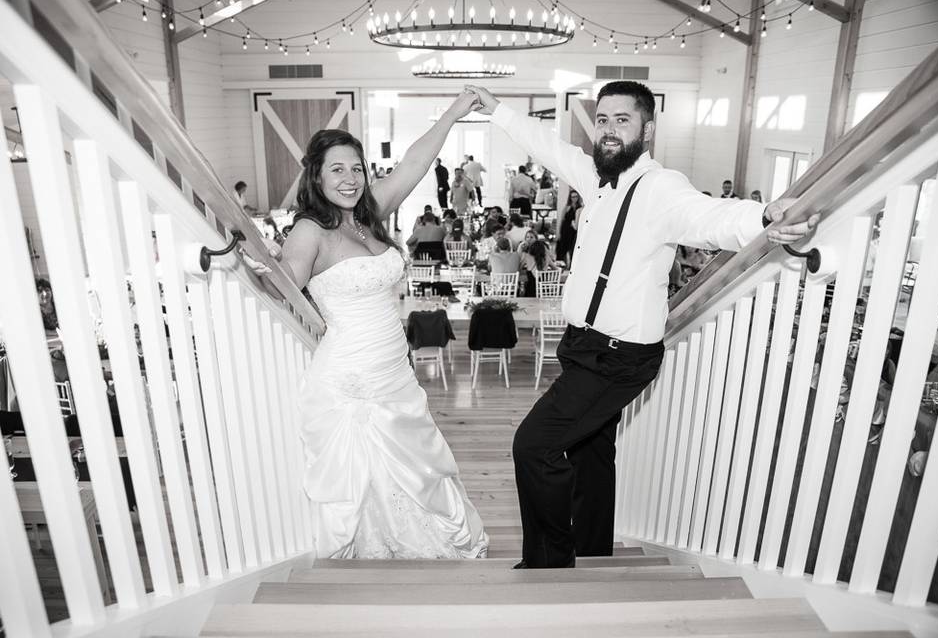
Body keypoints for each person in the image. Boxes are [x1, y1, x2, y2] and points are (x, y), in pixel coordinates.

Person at [467, 81, 819, 569]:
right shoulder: (597, 176)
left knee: (533, 445)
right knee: (590, 453)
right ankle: (591, 554)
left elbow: (709, 215)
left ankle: (549, 564)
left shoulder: (660, 188)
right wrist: (499, 110)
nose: (609, 131)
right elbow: (550, 147)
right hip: (584, 345)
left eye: (622, 121)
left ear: (647, 129)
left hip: (616, 356)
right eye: (603, 120)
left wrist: (763, 217)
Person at [244, 90, 488, 559]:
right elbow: (287, 286)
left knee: (414, 470)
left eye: (356, 167)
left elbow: (415, 163)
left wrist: (453, 113)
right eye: (337, 169)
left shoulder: (368, 217)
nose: (351, 178)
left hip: (395, 371)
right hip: (350, 379)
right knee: (366, 482)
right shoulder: (309, 230)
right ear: (315, 175)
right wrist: (263, 269)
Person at [556, 189, 583, 264]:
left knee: (573, 248)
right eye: (573, 197)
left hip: (574, 230)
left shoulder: (580, 207)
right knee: (563, 247)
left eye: (576, 197)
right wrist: (558, 232)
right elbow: (562, 220)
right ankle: (563, 264)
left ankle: (571, 263)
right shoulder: (567, 207)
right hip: (566, 229)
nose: (574, 198)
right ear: (570, 198)